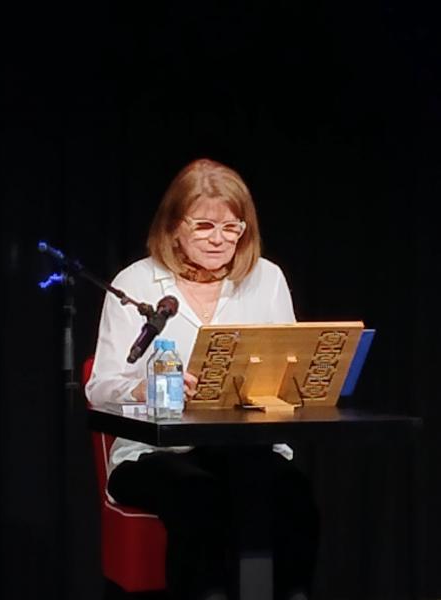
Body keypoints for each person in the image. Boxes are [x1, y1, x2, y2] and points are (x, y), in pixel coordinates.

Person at [85, 158, 320, 600]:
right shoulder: (136, 282)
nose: (219, 239)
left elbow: (290, 371)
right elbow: (99, 388)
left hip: (243, 447)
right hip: (153, 454)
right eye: (205, 226)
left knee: (291, 494)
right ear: (174, 226)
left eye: (232, 228)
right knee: (198, 497)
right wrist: (142, 387)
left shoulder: (267, 279)